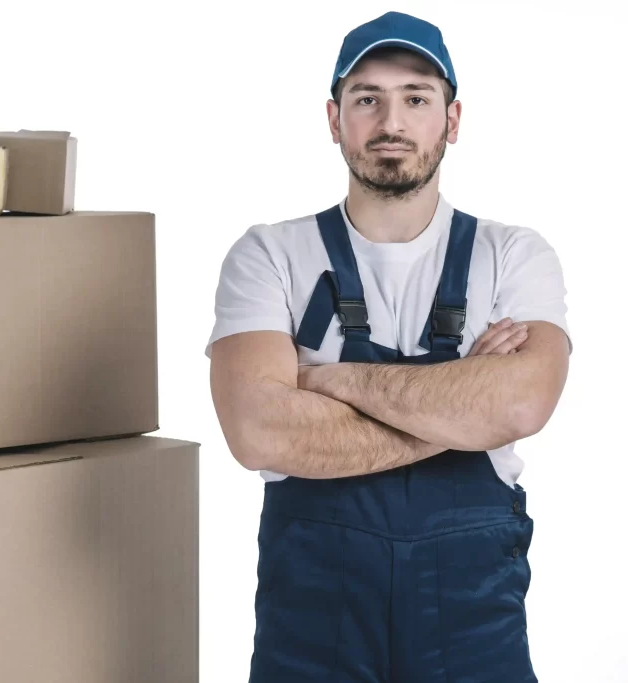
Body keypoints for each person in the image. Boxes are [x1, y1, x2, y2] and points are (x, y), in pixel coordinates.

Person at [206, 10, 571, 683]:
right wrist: (465, 403)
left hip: (472, 619)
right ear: (334, 119)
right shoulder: (269, 255)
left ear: (452, 120)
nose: (391, 122)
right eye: (367, 98)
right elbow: (257, 431)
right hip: (314, 619)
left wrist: (325, 381)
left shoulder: (515, 254)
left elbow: (521, 404)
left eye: (416, 98)